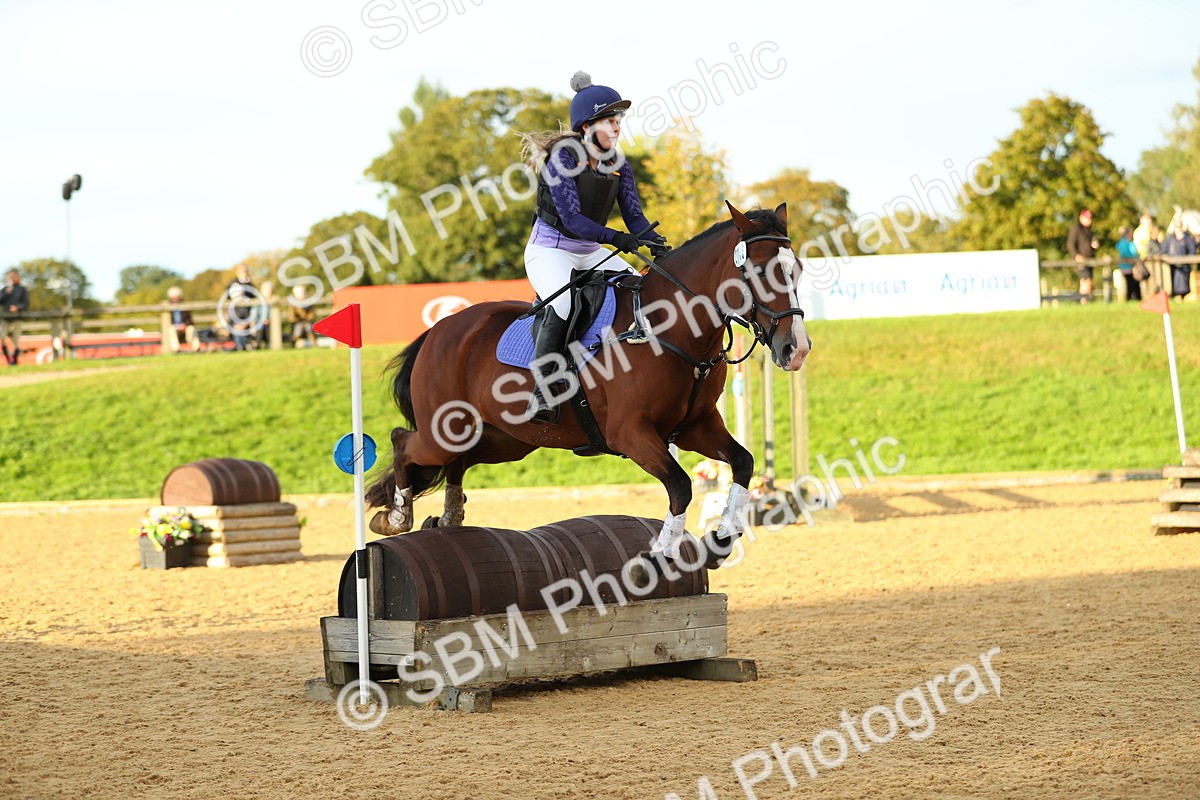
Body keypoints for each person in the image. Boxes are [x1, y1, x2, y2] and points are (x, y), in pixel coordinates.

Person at [518, 71, 670, 422]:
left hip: (588, 251)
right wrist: (617, 238)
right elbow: (572, 219)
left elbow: (634, 217)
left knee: (641, 288)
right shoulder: (562, 160)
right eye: (609, 120)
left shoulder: (619, 164)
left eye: (618, 120)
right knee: (564, 303)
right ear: (587, 127)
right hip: (550, 250)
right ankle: (542, 391)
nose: (617, 127)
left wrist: (657, 244)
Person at [1066, 209, 1099, 302]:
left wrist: (1095, 247)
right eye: (1087, 218)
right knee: (1086, 280)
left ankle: (1083, 301)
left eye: (1090, 218)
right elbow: (1070, 244)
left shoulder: (1090, 231)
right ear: (1081, 218)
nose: (1089, 220)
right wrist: (1076, 255)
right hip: (1080, 261)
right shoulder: (1076, 229)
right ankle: (1084, 301)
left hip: (1089, 260)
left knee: (1087, 281)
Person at [225, 265, 259, 350]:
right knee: (237, 328)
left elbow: (254, 298)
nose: (244, 273)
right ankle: (239, 346)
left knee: (246, 330)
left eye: (245, 271)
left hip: (248, 313)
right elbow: (227, 297)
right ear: (237, 273)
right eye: (242, 271)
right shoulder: (233, 283)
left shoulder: (250, 284)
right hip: (236, 313)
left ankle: (246, 345)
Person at [0, 269, 30, 366]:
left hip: (17, 318)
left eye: (13, 277)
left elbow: (26, 304)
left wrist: (17, 308)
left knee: (16, 340)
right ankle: (9, 359)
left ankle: (15, 361)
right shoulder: (5, 290)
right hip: (6, 318)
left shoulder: (22, 289)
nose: (11, 279)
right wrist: (6, 293)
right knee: (2, 337)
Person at [1161, 222, 1196, 298]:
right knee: (1174, 282)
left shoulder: (1187, 238)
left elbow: (1192, 251)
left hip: (1185, 266)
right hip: (1173, 266)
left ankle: (1184, 296)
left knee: (1184, 283)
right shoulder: (1170, 239)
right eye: (1177, 227)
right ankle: (1176, 296)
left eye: (1180, 227)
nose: (1178, 229)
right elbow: (1164, 251)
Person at [165, 286, 199, 353]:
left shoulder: (185, 306)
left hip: (185, 326)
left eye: (176, 297)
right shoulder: (168, 308)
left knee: (191, 329)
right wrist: (177, 326)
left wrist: (185, 325)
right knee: (171, 330)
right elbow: (168, 321)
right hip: (174, 326)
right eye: (173, 297)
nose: (175, 299)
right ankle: (176, 349)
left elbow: (190, 320)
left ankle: (196, 348)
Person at [1114, 227, 1142, 301]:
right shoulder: (1126, 243)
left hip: (1127, 266)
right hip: (1128, 266)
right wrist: (1135, 257)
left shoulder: (1124, 243)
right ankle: (1132, 297)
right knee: (1131, 284)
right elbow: (1128, 254)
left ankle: (1132, 297)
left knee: (1131, 283)